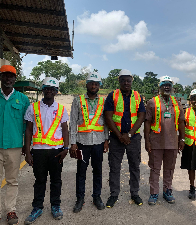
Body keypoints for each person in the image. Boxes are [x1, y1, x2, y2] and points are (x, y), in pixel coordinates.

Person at [24, 77, 69, 224]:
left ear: (56, 91)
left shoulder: (61, 109)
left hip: (56, 151)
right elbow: (29, 130)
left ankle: (55, 206)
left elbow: (65, 130)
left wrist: (66, 148)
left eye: (52, 88)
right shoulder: (33, 107)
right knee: (40, 181)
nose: (49, 91)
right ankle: (37, 207)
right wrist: (28, 151)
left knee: (56, 180)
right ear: (42, 90)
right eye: (46, 88)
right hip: (38, 151)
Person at [104, 69, 145, 207]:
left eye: (128, 80)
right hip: (116, 138)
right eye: (123, 80)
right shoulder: (112, 96)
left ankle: (135, 194)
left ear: (132, 81)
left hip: (133, 137)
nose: (126, 83)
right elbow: (108, 117)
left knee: (134, 166)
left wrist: (129, 134)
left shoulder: (138, 96)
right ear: (119, 81)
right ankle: (114, 194)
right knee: (114, 167)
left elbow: (141, 116)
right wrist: (119, 135)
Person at [69, 72, 109, 213]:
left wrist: (106, 140)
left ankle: (96, 197)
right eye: (91, 83)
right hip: (81, 143)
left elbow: (106, 123)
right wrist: (72, 143)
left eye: (96, 84)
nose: (93, 86)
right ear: (86, 85)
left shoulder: (104, 101)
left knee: (97, 171)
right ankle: (80, 199)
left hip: (98, 143)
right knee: (81, 172)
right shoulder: (77, 100)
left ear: (99, 86)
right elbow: (73, 122)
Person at [144, 76, 185, 205]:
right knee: (155, 168)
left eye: (168, 85)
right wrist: (147, 140)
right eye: (164, 84)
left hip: (172, 142)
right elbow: (147, 122)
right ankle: (154, 193)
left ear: (171, 87)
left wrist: (182, 138)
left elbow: (181, 121)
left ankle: (167, 191)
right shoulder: (152, 102)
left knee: (169, 168)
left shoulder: (176, 102)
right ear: (160, 87)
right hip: (156, 142)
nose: (166, 87)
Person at [0, 65, 30, 225]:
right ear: (1, 77)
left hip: (15, 147)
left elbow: (27, 125)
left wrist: (27, 146)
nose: (8, 79)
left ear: (15, 79)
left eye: (11, 76)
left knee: (12, 180)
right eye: (5, 75)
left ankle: (10, 210)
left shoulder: (23, 99)